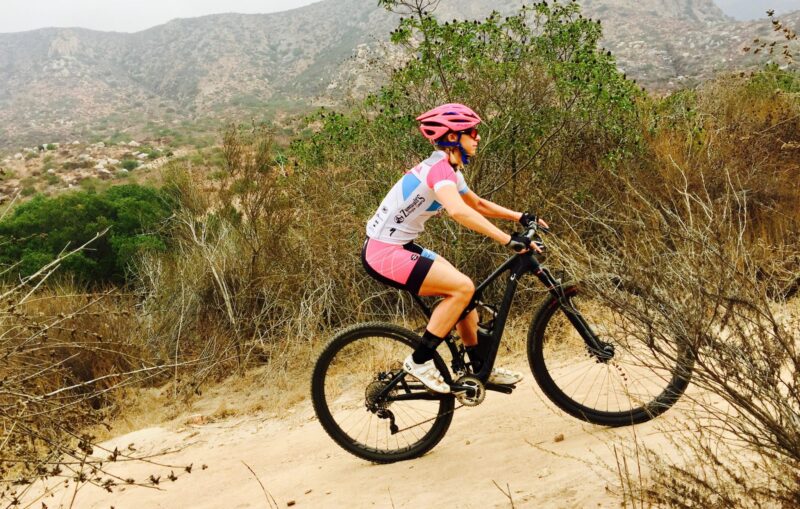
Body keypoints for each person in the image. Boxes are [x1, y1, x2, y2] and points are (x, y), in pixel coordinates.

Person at [362, 103, 549, 393]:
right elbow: (459, 211)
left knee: (467, 293)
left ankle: (477, 369)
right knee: (461, 288)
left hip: (399, 246)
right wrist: (507, 239)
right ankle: (419, 361)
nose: (477, 137)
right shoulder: (439, 171)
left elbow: (477, 204)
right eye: (471, 132)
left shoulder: (448, 170)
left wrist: (520, 217)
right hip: (383, 253)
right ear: (452, 137)